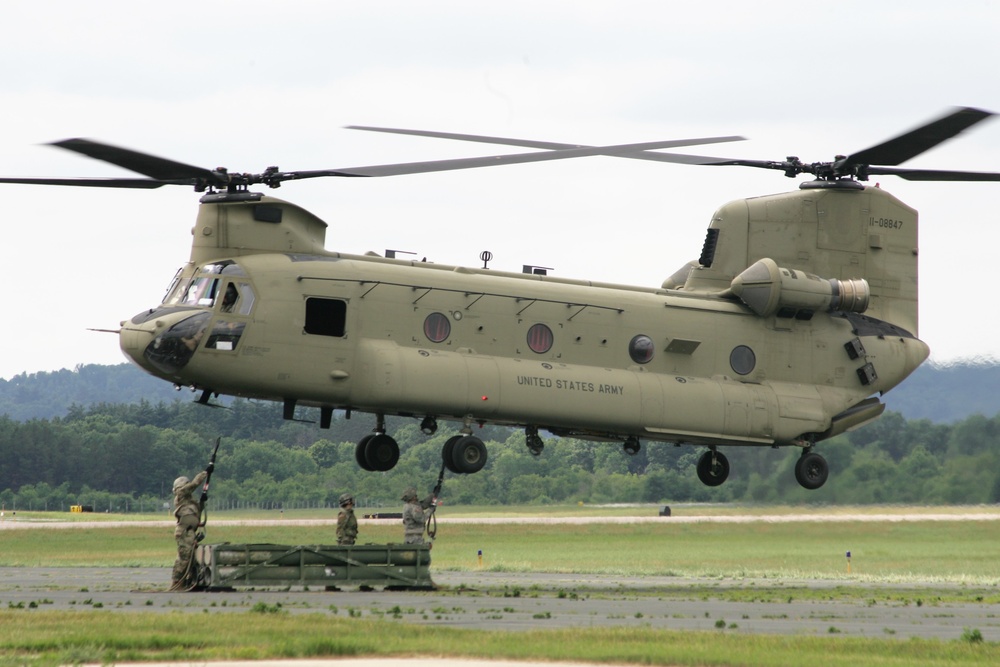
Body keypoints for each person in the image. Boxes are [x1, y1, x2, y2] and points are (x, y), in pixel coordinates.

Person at [171, 470, 207, 588]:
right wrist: (205, 473)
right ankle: (176, 583)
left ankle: (188, 581)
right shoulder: (181, 494)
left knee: (191, 559)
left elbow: (196, 514)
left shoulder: (189, 502)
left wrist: (201, 502)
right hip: (184, 532)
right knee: (184, 558)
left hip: (190, 532)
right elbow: (194, 484)